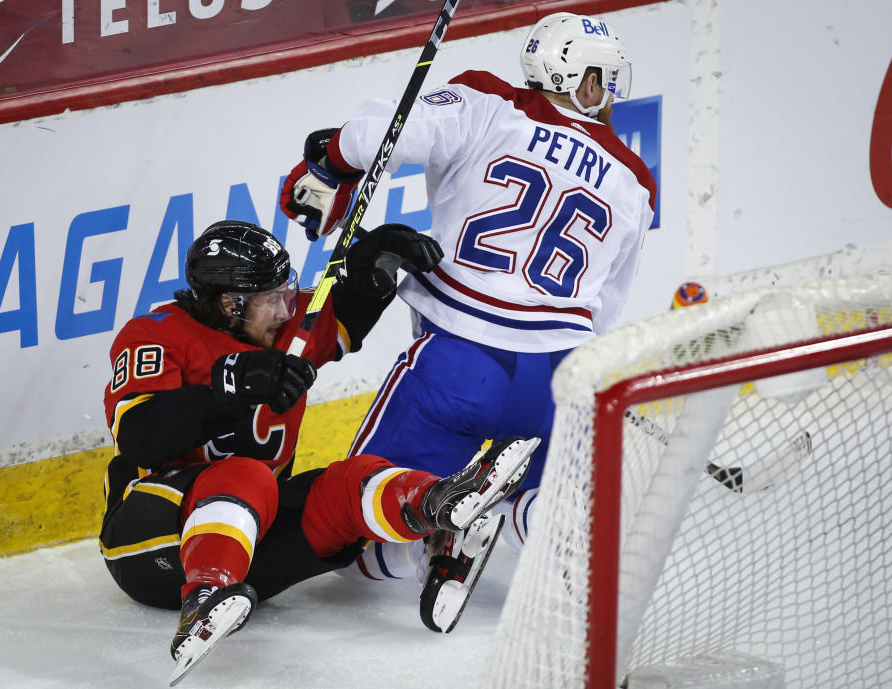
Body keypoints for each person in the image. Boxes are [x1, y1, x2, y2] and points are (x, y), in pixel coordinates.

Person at [280, 11, 656, 630]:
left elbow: (383, 133)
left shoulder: (487, 100)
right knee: (542, 504)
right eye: (604, 79)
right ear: (583, 81)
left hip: (457, 363)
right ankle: (518, 513)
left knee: (358, 537)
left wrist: (330, 158)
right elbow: (603, 310)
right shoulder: (635, 180)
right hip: (558, 380)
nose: (608, 93)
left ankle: (440, 526)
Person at [98, 219, 538, 683]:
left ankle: (439, 504)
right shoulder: (156, 333)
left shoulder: (286, 326)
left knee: (348, 483)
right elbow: (139, 437)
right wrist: (224, 391)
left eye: (285, 293)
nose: (286, 308)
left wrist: (373, 266)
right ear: (231, 304)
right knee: (247, 474)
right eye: (272, 300)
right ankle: (204, 596)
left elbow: (346, 313)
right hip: (150, 541)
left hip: (249, 551)